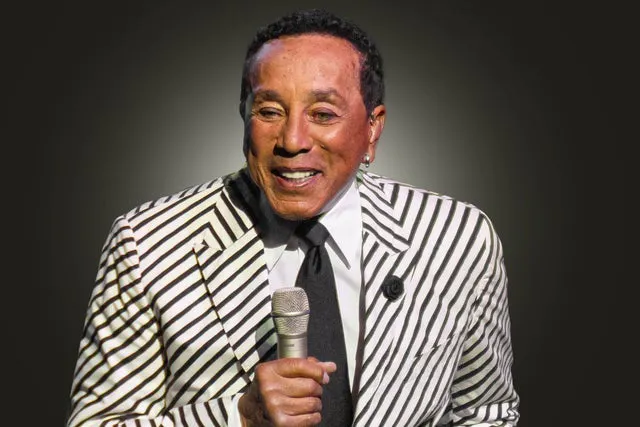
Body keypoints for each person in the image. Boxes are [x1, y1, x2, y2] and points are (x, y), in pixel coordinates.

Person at [66, 8, 519, 427]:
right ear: (243, 115)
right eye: (269, 111)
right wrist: (239, 417)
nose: (293, 140)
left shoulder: (457, 239)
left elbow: (487, 413)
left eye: (322, 113)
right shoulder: (149, 245)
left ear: (373, 128)